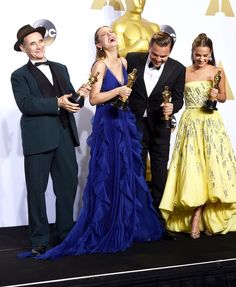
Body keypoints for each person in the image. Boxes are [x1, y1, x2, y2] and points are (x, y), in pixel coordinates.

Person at [34, 25, 164, 259]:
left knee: (126, 170)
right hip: (108, 123)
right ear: (99, 45)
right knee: (109, 171)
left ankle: (126, 222)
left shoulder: (124, 63)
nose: (110, 35)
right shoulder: (99, 65)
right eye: (104, 35)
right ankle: (107, 224)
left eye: (111, 32)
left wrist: (125, 93)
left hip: (124, 120)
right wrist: (118, 91)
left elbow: (128, 89)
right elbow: (94, 99)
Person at [11, 24, 90, 256]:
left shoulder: (61, 68)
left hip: (64, 134)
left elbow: (71, 102)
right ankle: (39, 238)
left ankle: (64, 233)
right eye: (32, 43)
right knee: (37, 190)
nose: (38, 46)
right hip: (37, 139)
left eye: (40, 41)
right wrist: (57, 102)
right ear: (23, 49)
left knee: (67, 187)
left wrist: (79, 95)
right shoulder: (18, 75)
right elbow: (26, 104)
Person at [159, 33, 236, 239]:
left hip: (210, 123)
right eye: (197, 55)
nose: (201, 59)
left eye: (205, 55)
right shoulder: (183, 72)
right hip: (190, 122)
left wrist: (215, 95)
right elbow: (176, 97)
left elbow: (224, 97)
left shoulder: (217, 71)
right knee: (193, 171)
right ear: (192, 53)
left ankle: (202, 215)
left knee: (211, 169)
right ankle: (195, 215)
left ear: (210, 54)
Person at [126, 32, 185, 237]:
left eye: (163, 56)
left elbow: (178, 99)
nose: (159, 59)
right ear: (150, 47)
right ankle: (136, 221)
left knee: (160, 174)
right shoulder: (132, 59)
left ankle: (159, 222)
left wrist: (172, 107)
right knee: (137, 172)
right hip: (135, 124)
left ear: (170, 52)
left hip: (160, 127)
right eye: (155, 55)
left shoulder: (178, 68)